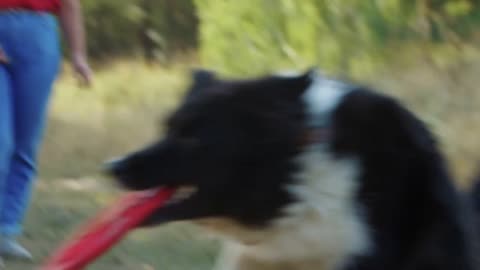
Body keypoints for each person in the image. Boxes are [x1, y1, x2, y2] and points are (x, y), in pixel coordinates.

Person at [0, 0, 92, 261]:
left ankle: (6, 231)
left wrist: (78, 55)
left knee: (25, 143)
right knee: (0, 141)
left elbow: (70, 4)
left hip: (40, 34)